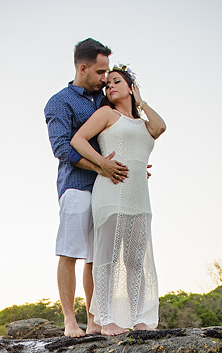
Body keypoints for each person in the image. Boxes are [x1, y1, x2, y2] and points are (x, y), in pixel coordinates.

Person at [70, 67, 166, 335]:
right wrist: (101, 163)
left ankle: (139, 317)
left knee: (135, 259)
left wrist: (141, 101)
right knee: (107, 257)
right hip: (111, 192)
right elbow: (77, 140)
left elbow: (160, 127)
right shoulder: (106, 114)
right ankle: (106, 319)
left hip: (139, 197)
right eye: (107, 83)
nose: (110, 86)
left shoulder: (143, 123)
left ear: (130, 87)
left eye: (117, 81)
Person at [44, 39, 130, 337]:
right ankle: (70, 320)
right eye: (100, 71)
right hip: (77, 187)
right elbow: (62, 149)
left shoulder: (105, 100)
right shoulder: (59, 101)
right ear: (83, 67)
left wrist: (130, 164)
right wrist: (100, 166)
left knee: (96, 256)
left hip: (107, 189)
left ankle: (94, 320)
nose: (105, 78)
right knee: (70, 252)